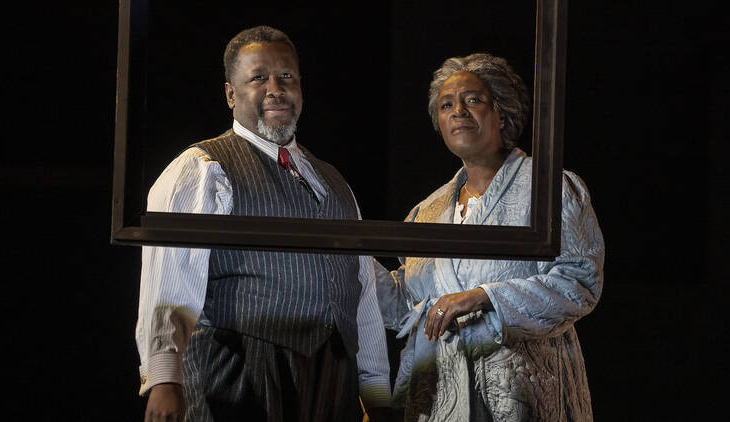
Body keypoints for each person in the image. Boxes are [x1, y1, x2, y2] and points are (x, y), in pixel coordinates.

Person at [136, 26, 391, 422]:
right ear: (231, 94)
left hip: (332, 379)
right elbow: (170, 278)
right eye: (258, 78)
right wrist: (165, 379)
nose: (276, 88)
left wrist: (377, 394)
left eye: (286, 76)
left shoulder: (336, 182)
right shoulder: (204, 166)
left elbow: (363, 297)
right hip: (241, 370)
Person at [375, 53, 605, 421]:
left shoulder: (548, 189)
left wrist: (483, 297)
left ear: (502, 113)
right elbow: (407, 305)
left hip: (519, 394)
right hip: (440, 398)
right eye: (447, 104)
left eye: (473, 100)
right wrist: (349, 254)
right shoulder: (428, 211)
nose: (458, 111)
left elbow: (580, 282)